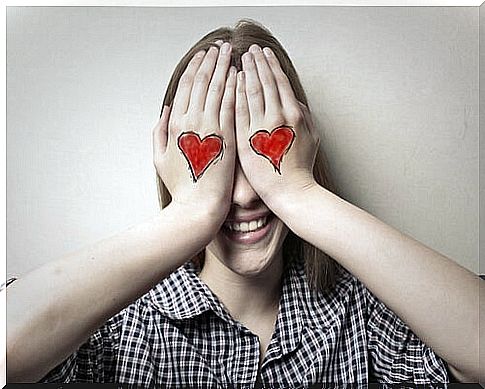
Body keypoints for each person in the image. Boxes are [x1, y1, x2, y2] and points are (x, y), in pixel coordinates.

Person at [5, 19, 481, 386]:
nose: (246, 193)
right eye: (220, 161)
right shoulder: (125, 318)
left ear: (303, 153)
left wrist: (299, 194)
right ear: (172, 164)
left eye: (260, 156)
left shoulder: (359, 311)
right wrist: (189, 215)